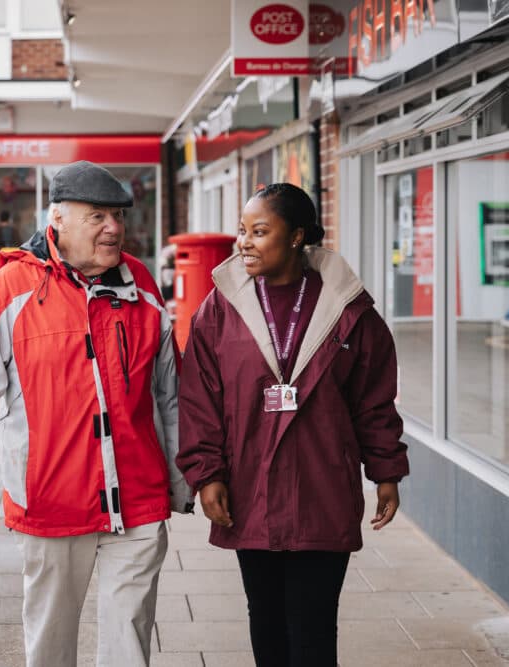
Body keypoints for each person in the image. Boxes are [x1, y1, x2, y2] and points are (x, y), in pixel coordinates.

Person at [0, 160, 191, 667]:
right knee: (51, 643)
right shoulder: (12, 288)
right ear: (58, 218)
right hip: (51, 501)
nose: (114, 228)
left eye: (117, 215)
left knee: (130, 642)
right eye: (97, 215)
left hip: (137, 499)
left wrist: (186, 475)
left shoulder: (140, 283)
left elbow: (170, 392)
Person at [176, 183, 410, 667]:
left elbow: (374, 400)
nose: (244, 242)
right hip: (249, 487)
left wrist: (385, 471)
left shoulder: (349, 312)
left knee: (313, 622)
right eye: (243, 231)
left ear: (297, 236)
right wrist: (207, 474)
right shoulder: (220, 309)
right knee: (264, 615)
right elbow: (199, 399)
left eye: (260, 232)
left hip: (321, 486)